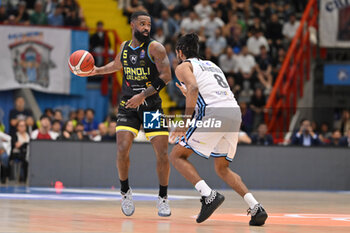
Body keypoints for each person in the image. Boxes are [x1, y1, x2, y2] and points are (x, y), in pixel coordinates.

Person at [77, 11, 172, 217]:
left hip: (151, 106)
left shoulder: (155, 47)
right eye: (142, 24)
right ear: (132, 25)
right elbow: (118, 65)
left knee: (163, 154)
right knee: (121, 148)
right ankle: (125, 193)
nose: (146, 28)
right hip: (128, 105)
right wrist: (97, 70)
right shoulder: (125, 47)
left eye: (148, 24)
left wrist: (142, 95)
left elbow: (166, 76)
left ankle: (163, 198)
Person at [169, 33, 268, 225]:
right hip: (233, 113)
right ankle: (256, 207)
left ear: (180, 52)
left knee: (176, 156)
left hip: (215, 113)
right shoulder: (212, 65)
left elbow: (193, 88)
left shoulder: (183, 66)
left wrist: (184, 122)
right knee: (222, 168)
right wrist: (191, 93)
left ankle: (208, 195)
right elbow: (204, 91)